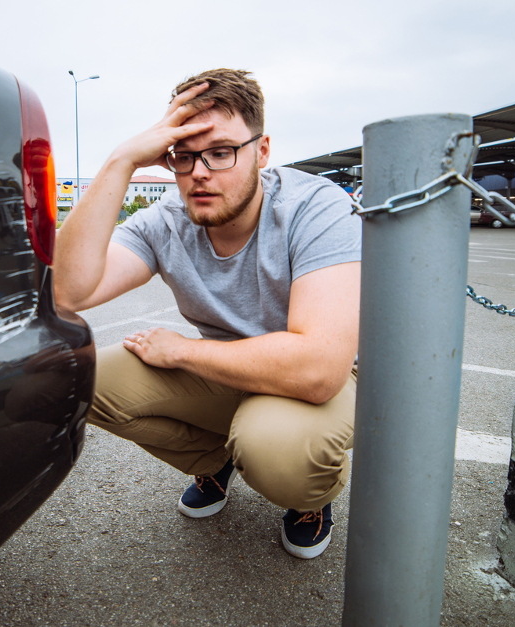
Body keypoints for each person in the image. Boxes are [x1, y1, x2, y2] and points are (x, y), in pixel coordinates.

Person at [53, 68, 361, 559]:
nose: (198, 172)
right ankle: (215, 461)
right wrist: (120, 161)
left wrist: (183, 352)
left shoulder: (314, 206)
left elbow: (319, 368)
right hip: (227, 369)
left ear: (262, 151)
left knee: (275, 449)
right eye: (183, 154)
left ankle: (310, 499)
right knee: (73, 381)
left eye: (220, 152)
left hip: (317, 383)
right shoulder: (166, 220)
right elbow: (67, 291)